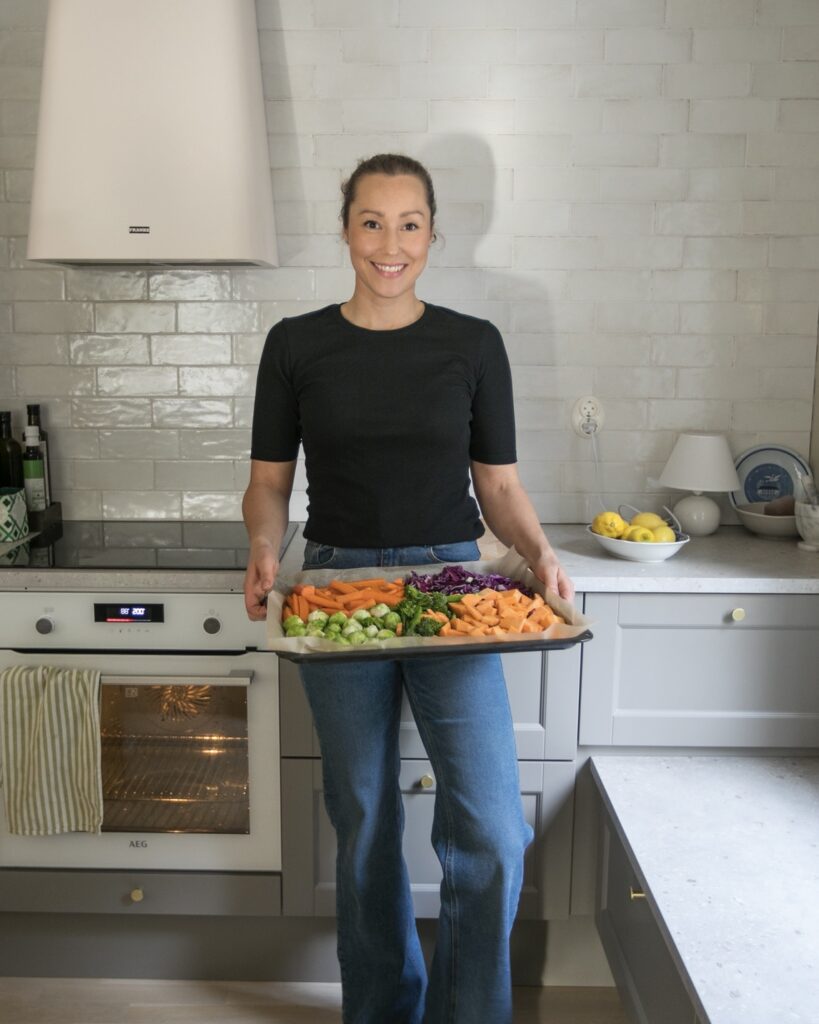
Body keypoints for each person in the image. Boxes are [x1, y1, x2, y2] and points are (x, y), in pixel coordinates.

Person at [242, 153, 574, 1024]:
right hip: (336, 588)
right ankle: (383, 1010)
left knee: (491, 825)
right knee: (363, 817)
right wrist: (264, 545)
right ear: (345, 230)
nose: (389, 244)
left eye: (409, 224)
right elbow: (269, 483)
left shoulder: (472, 343)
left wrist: (539, 554)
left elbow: (498, 484)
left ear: (432, 234)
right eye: (371, 222)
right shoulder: (295, 344)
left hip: (451, 587)